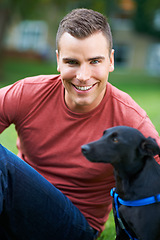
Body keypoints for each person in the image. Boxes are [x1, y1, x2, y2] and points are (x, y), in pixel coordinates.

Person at [0, 8, 160, 240]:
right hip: (16, 211)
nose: (83, 75)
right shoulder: (28, 93)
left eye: (95, 61)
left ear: (111, 61)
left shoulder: (130, 120)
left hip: (74, 227)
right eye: (72, 62)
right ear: (58, 60)